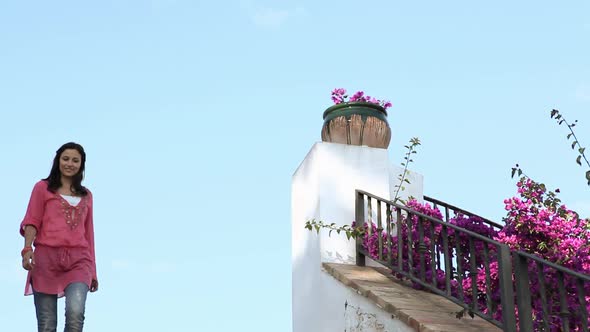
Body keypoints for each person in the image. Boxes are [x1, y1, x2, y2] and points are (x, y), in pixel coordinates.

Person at [20, 142, 98, 332]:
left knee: (75, 313)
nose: (69, 163)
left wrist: (93, 271)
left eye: (75, 160)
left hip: (79, 261)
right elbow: (32, 220)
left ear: (81, 165)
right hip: (46, 259)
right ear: (58, 161)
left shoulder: (86, 195)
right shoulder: (42, 188)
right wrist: (27, 249)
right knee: (47, 324)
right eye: (65, 159)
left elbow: (89, 233)